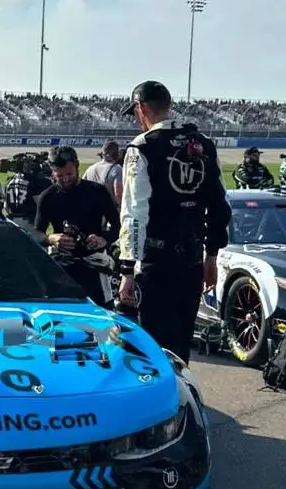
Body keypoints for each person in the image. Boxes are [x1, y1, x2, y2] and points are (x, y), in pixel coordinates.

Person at [118, 80, 231, 364]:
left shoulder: (142, 147)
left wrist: (127, 269)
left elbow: (134, 213)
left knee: (153, 347)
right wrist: (212, 256)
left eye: (135, 113)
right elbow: (220, 204)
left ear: (141, 109)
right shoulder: (202, 144)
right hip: (192, 261)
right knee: (181, 345)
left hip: (156, 263)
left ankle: (161, 404)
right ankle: (182, 402)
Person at [34, 145, 121, 307]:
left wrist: (104, 238)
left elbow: (118, 226)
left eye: (69, 174)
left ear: (77, 165)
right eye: (59, 176)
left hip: (94, 266)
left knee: (101, 316)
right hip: (63, 266)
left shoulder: (97, 191)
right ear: (52, 172)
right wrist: (51, 238)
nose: (65, 179)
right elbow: (36, 233)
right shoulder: (48, 197)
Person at [3, 152, 53, 235]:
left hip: (10, 222)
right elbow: (42, 205)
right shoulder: (37, 181)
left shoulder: (9, 180)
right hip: (29, 224)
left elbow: (6, 206)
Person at [82, 139, 124, 205]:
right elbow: (118, 194)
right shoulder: (117, 169)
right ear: (116, 154)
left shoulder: (90, 168)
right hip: (109, 211)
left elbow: (81, 189)